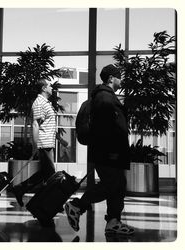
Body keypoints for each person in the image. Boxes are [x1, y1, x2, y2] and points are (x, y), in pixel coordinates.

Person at [64, 64, 134, 235]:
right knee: (112, 184)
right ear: (111, 78)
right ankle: (77, 206)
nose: (121, 80)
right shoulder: (104, 98)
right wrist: (112, 151)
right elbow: (105, 129)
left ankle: (113, 221)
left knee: (118, 185)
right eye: (119, 76)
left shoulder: (106, 96)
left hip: (110, 152)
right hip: (108, 152)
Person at [12, 78, 67, 208]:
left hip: (48, 142)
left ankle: (20, 188)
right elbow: (35, 124)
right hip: (44, 143)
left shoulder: (45, 102)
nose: (52, 88)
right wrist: (36, 145)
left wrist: (61, 140)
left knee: (45, 174)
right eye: (49, 86)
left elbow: (48, 125)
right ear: (43, 88)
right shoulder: (39, 103)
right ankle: (53, 204)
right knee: (51, 175)